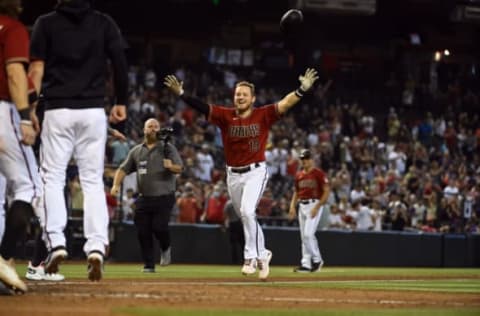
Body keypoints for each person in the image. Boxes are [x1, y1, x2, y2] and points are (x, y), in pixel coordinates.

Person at [164, 68, 319, 280]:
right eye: (238, 94)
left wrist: (302, 90)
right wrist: (182, 94)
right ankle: (264, 254)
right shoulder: (225, 115)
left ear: (252, 98)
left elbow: (285, 103)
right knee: (247, 217)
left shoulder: (262, 114)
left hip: (255, 171)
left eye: (244, 94)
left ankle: (250, 258)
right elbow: (202, 107)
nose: (240, 97)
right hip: (233, 174)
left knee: (247, 211)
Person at [28, 0, 128, 281]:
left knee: (53, 178)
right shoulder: (104, 22)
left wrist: (30, 109)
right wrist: (122, 102)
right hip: (94, 111)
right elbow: (120, 61)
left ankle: (56, 242)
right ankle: (96, 247)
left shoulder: (45, 23)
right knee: (93, 181)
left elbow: (36, 70)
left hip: (57, 109)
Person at [0, 0, 43, 294]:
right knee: (31, 188)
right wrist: (26, 117)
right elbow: (15, 75)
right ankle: (3, 259)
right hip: (4, 112)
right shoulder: (12, 28)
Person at [111, 118, 183, 273]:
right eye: (150, 126)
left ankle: (165, 247)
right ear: (144, 130)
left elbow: (180, 168)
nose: (153, 129)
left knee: (159, 227)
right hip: (144, 197)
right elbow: (123, 169)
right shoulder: (137, 151)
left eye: (156, 126)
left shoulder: (167, 148)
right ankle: (149, 264)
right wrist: (116, 185)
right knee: (143, 231)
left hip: (164, 196)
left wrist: (171, 167)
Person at [288, 149, 330, 273]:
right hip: (302, 205)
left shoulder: (319, 173)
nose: (304, 161)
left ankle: (317, 260)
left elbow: (326, 191)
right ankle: (306, 264)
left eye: (306, 158)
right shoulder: (299, 175)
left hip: (314, 204)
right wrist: (292, 206)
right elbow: (296, 192)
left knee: (308, 235)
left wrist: (317, 207)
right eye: (302, 158)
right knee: (304, 237)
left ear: (312, 160)